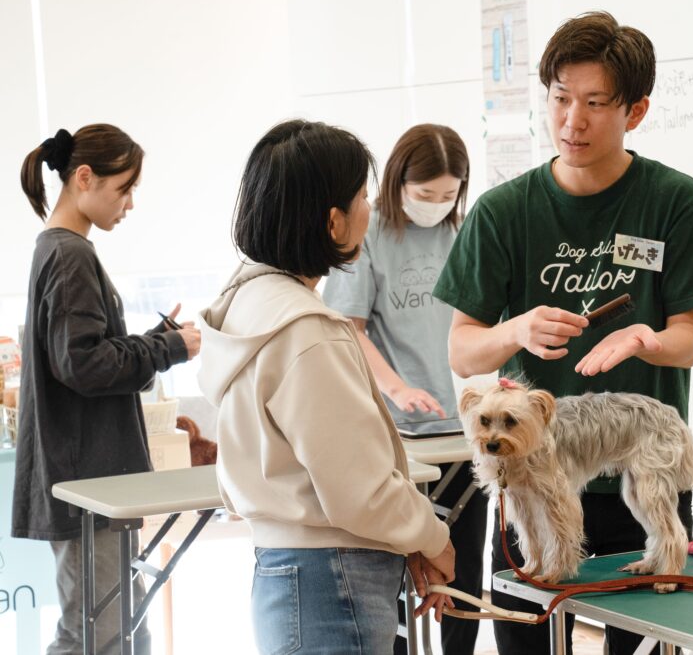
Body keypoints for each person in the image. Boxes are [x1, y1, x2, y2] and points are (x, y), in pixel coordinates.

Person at [432, 12, 693, 654]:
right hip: (530, 477)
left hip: (632, 463)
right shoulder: (502, 212)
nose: (573, 120)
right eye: (561, 99)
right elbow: (463, 351)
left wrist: (645, 339)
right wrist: (515, 328)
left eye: (596, 103)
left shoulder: (673, 201)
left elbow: (689, 338)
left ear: (637, 109)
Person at [197, 119, 456, 655]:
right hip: (333, 580)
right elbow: (359, 490)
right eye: (363, 197)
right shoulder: (308, 333)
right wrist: (434, 538)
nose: (371, 209)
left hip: (283, 568)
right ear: (334, 222)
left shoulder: (247, 302)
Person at [11, 124, 202, 655]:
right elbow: (85, 365)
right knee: (96, 634)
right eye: (124, 189)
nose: (131, 204)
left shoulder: (59, 250)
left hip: (87, 481)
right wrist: (168, 350)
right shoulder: (69, 254)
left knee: (117, 629)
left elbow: (82, 355)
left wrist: (156, 342)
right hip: (86, 483)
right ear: (84, 178)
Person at [322, 123, 487, 655]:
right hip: (398, 437)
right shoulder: (367, 234)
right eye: (424, 195)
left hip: (463, 432)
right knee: (396, 564)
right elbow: (348, 328)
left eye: (447, 195)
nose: (436, 206)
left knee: (463, 566)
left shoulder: (462, 232)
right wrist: (395, 390)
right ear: (397, 183)